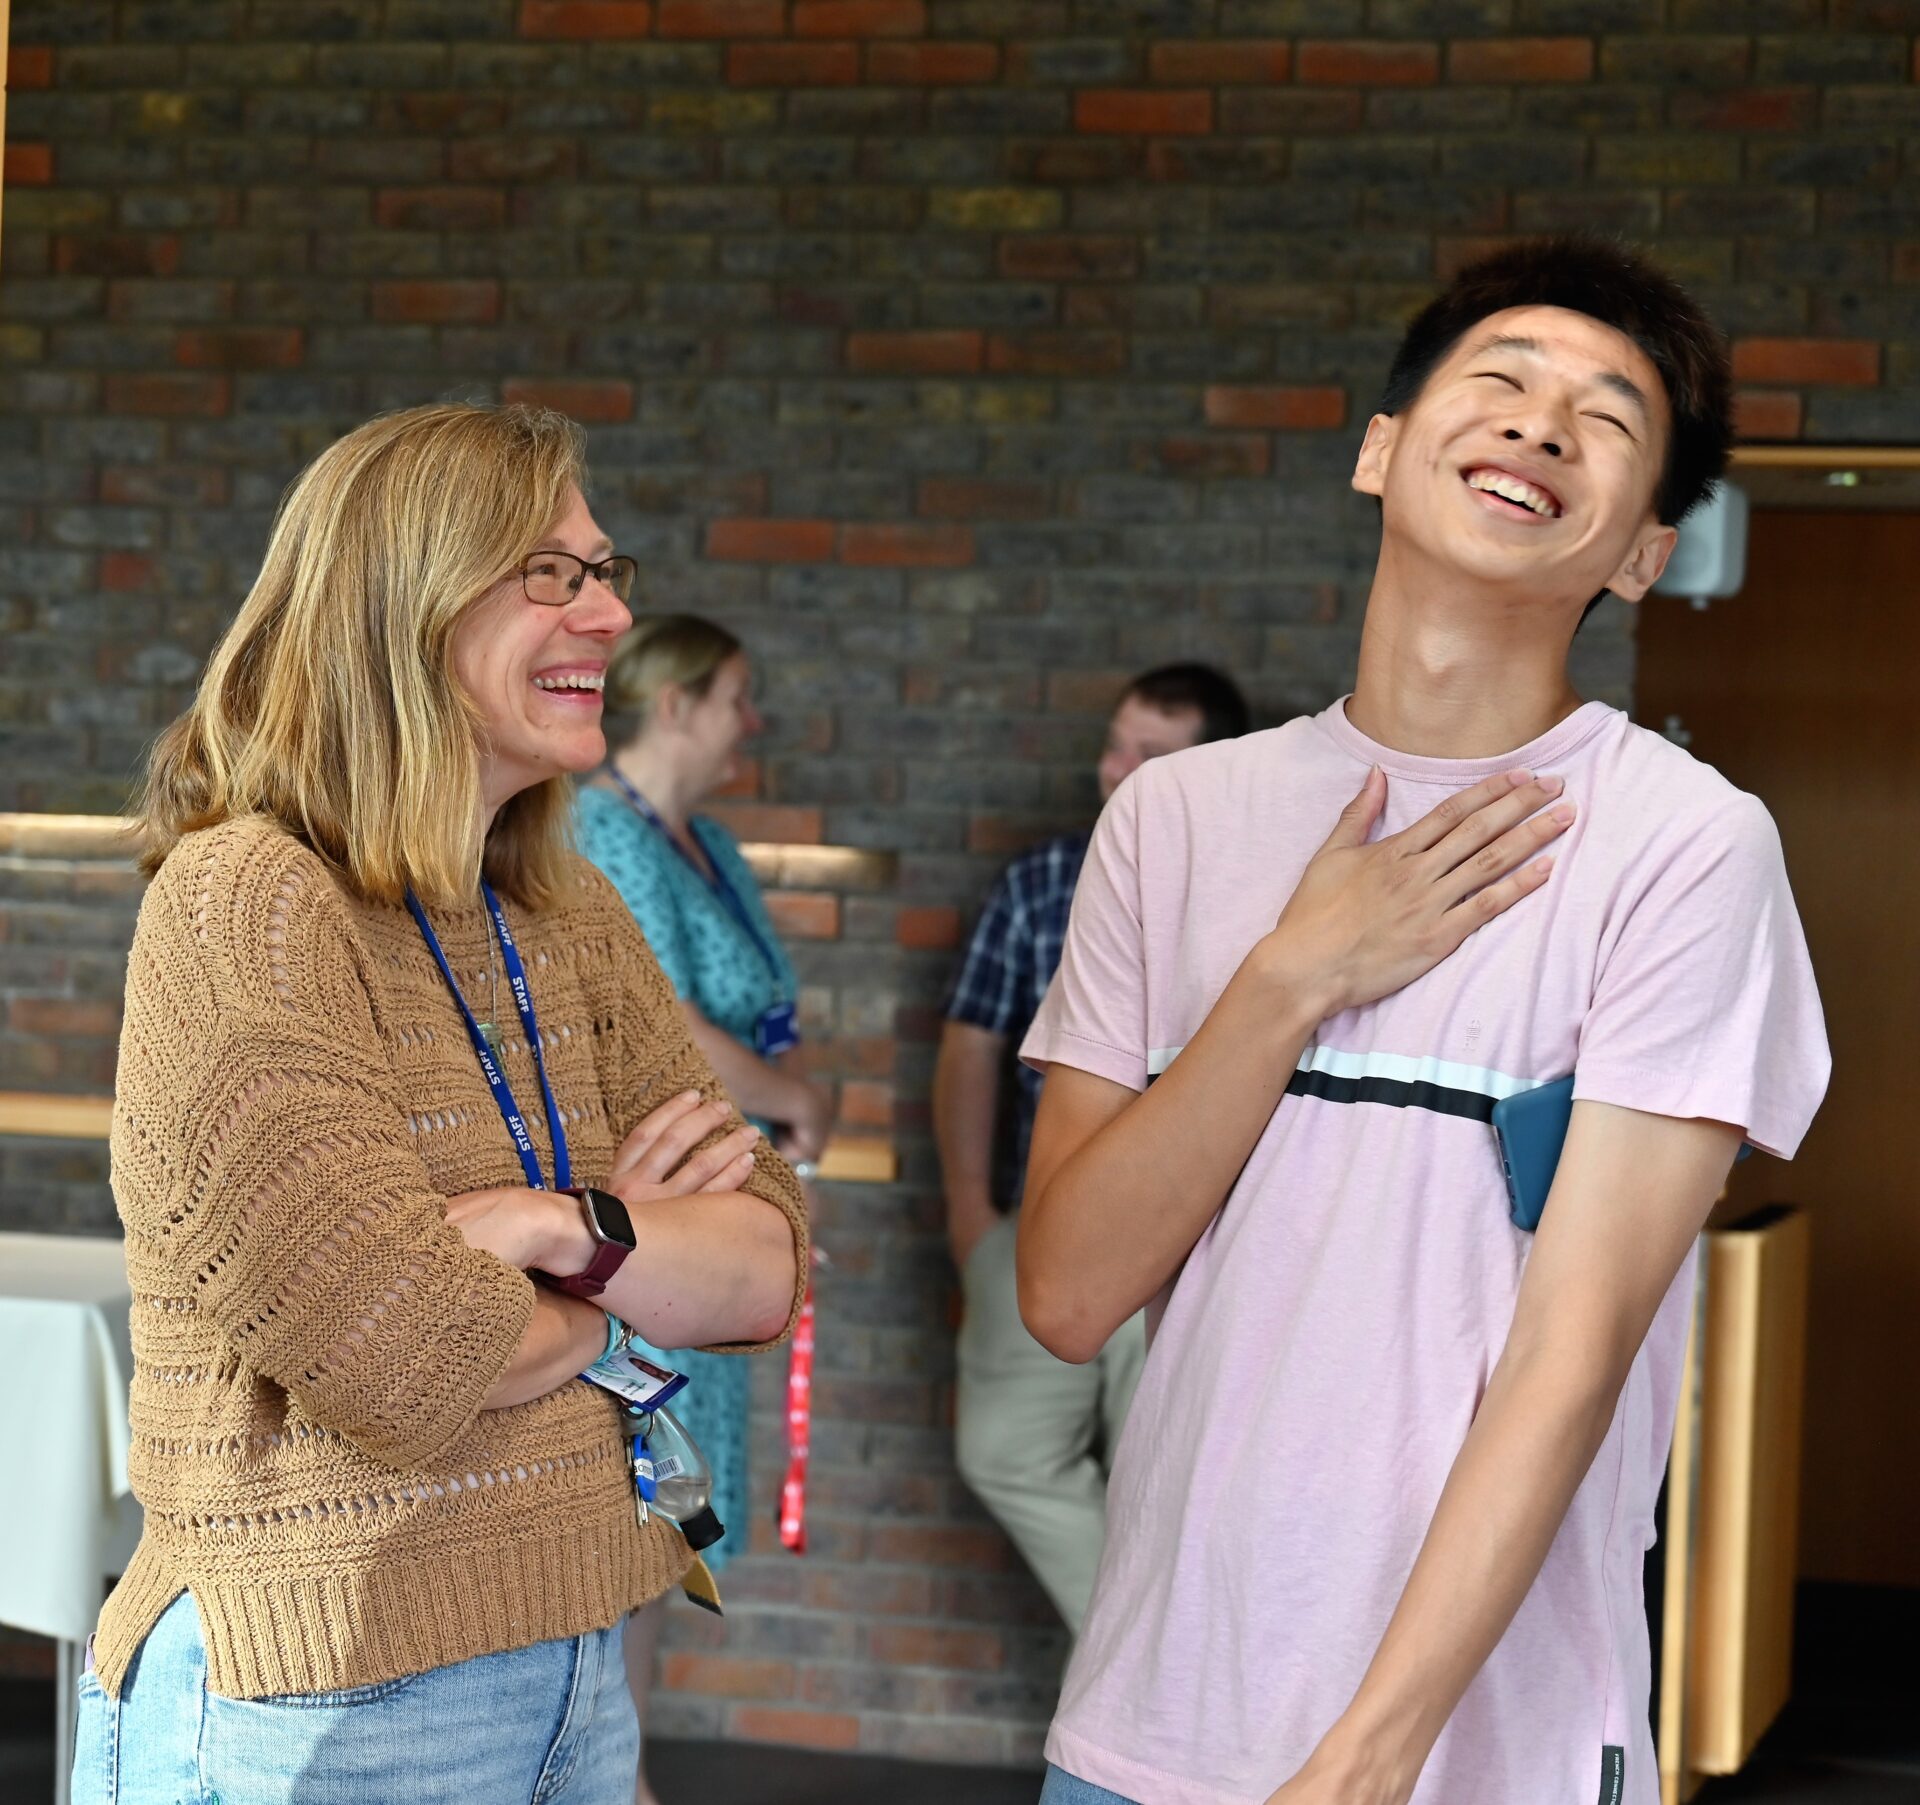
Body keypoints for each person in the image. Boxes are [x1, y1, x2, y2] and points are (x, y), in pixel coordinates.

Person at [1019, 238, 1829, 1805]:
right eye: (1502, 381)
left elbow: (1571, 1353)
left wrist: (1367, 1760)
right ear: (1383, 450)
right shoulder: (1176, 822)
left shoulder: (1685, 845)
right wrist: (1290, 980)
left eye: (1606, 418)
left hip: (1473, 1761)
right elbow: (1068, 1290)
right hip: (1146, 1729)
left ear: (1644, 552)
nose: (1539, 427)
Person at [75, 402, 808, 1805]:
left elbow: (767, 1257)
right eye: (553, 573)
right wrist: (636, 1269)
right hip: (325, 1690)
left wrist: (552, 1227)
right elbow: (391, 1350)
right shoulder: (254, 901)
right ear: (400, 600)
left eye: (606, 571)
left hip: (574, 1664)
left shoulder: (563, 906)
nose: (604, 615)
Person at [575, 614, 832, 1805]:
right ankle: (602, 1777)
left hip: (719, 1222)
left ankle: (620, 1768)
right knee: (633, 1496)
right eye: (736, 695)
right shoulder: (597, 829)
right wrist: (794, 1098)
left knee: (669, 1522)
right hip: (657, 1227)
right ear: (672, 703)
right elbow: (668, 1031)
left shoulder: (709, 840)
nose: (751, 720)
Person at [935, 664, 1250, 1634]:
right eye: (1117, 744)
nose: (1117, 770)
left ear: (1214, 768)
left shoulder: (1263, 899)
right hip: (1048, 1224)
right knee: (1002, 1449)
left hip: (1203, 1240)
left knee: (1169, 1473)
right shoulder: (1041, 881)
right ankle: (1130, 1645)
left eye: (1150, 753)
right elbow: (969, 1047)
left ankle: (1141, 1678)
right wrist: (971, 1220)